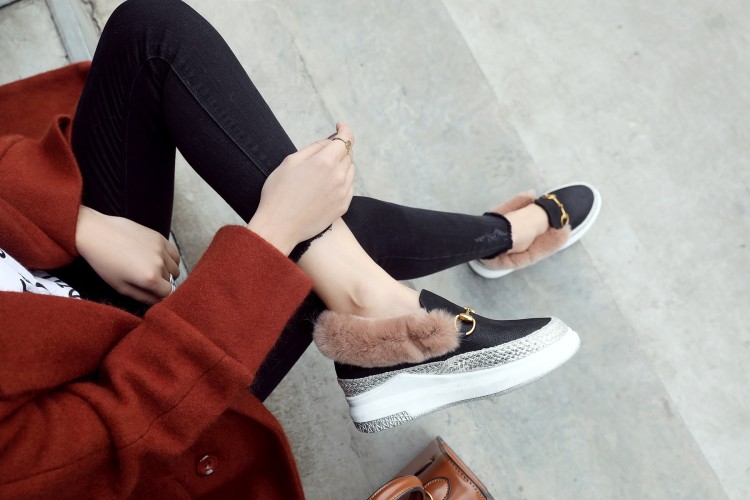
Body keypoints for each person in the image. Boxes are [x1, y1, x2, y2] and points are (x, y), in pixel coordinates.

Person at [0, 0, 600, 497]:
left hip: (41, 267)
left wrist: (77, 224)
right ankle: (481, 250)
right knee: (336, 244)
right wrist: (273, 232)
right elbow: (117, 433)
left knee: (153, 31)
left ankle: (433, 279)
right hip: (130, 401)